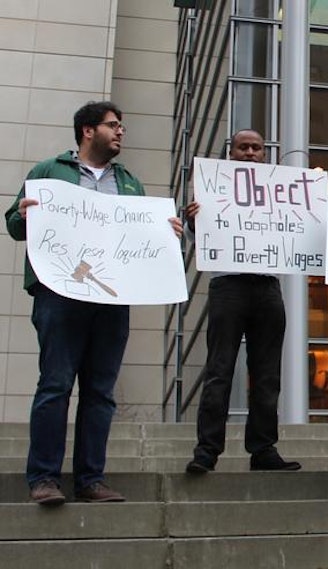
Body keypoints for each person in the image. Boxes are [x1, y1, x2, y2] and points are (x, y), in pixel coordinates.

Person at [6, 101, 183, 505]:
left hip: (111, 298)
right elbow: (15, 226)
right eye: (112, 125)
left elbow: (139, 236)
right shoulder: (49, 171)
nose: (120, 132)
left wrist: (166, 231)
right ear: (88, 131)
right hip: (60, 295)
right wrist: (22, 214)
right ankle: (44, 479)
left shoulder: (130, 182)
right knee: (55, 385)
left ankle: (90, 480)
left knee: (100, 392)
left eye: (121, 126)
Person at [184, 129, 301, 474]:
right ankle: (207, 450)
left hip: (267, 286)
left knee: (267, 375)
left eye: (257, 148)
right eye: (243, 147)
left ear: (264, 154)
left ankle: (263, 449)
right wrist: (194, 219)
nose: (250, 152)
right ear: (231, 152)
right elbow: (196, 235)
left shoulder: (279, 189)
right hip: (228, 285)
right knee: (219, 370)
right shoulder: (213, 187)